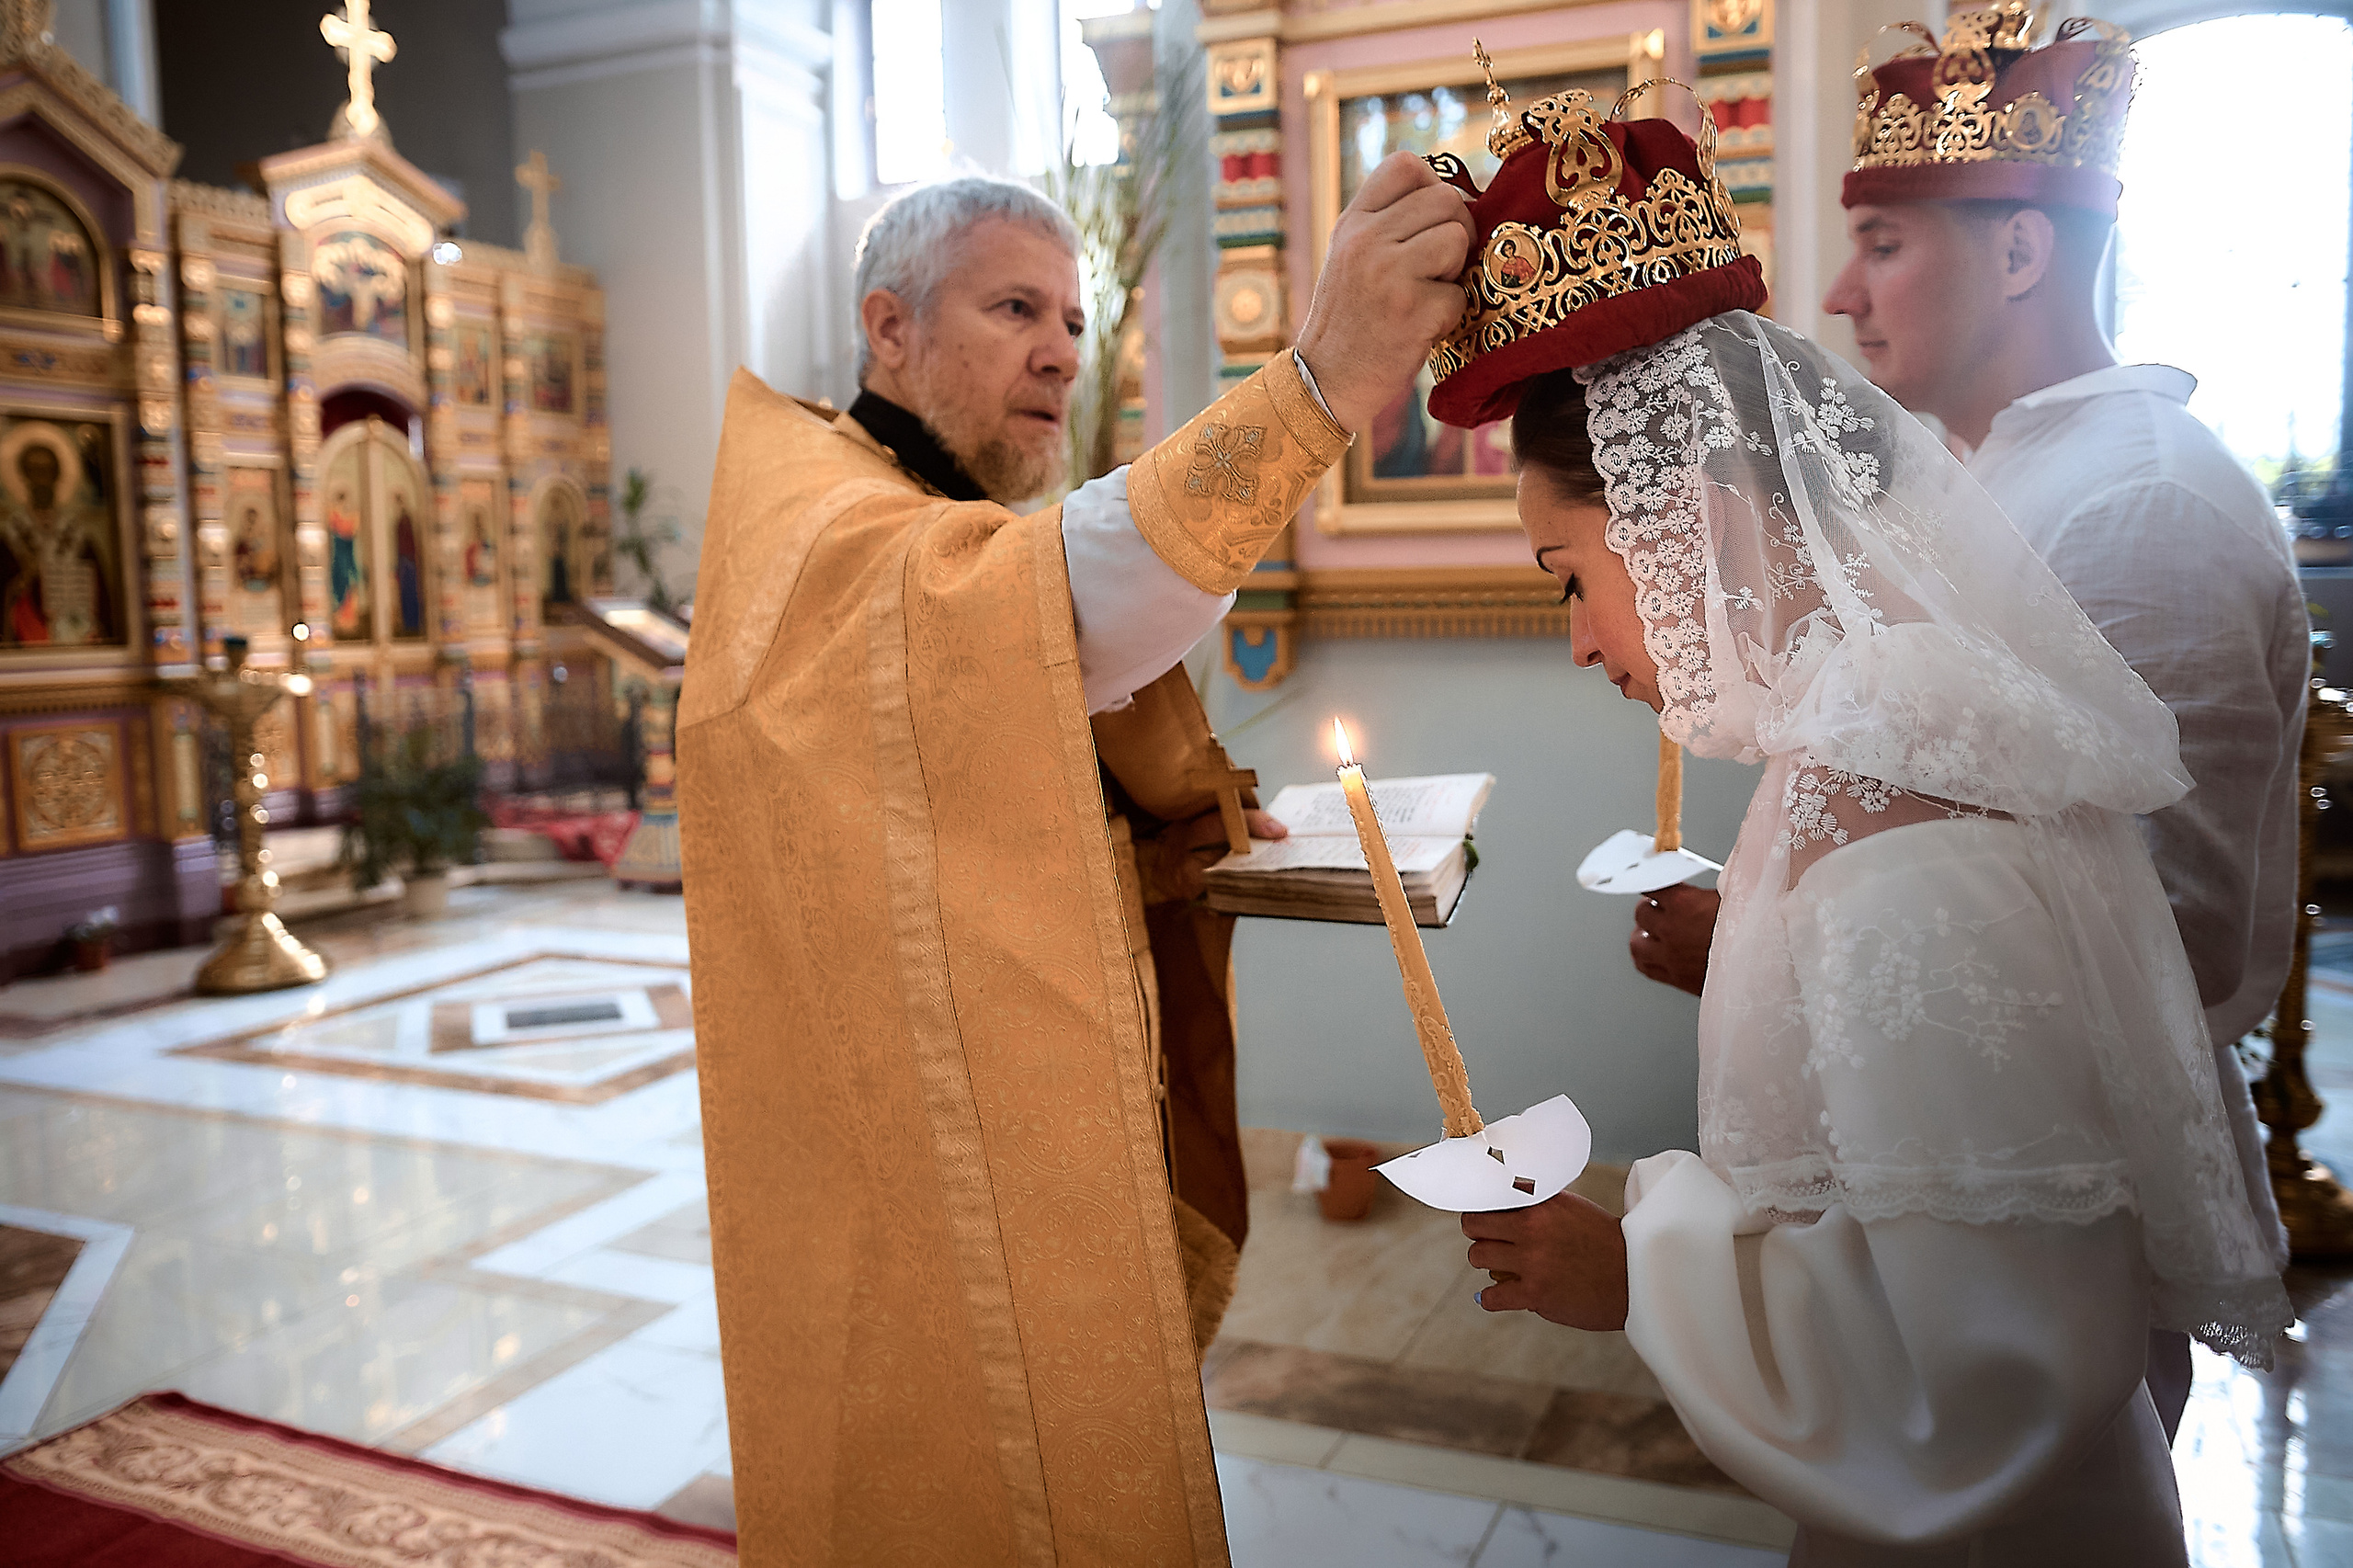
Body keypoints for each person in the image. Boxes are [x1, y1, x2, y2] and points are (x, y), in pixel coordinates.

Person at [1422, 67, 2290, 1565]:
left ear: (1686, 513)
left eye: (1570, 573)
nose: (1576, 637)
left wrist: (1638, 1269)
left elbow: (1998, 1360)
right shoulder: (1865, 750)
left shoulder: (1904, 825)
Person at [676, 165, 1469, 1562]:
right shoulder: (830, 521)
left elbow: (992, 754)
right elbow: (1063, 600)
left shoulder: (917, 513)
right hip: (903, 1145)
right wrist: (1325, 378)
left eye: (1074, 319)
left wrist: (1180, 842)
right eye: (1014, 308)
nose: (1060, 349)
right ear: (890, 327)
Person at [1627, 7, 2302, 1433]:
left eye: (1884, 241)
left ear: (2019, 249)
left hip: (2056, 1223)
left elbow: (2151, 934)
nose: (1840, 289)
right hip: (1933, 1202)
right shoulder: (1968, 483)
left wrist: (1798, 940)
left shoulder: (2141, 505)